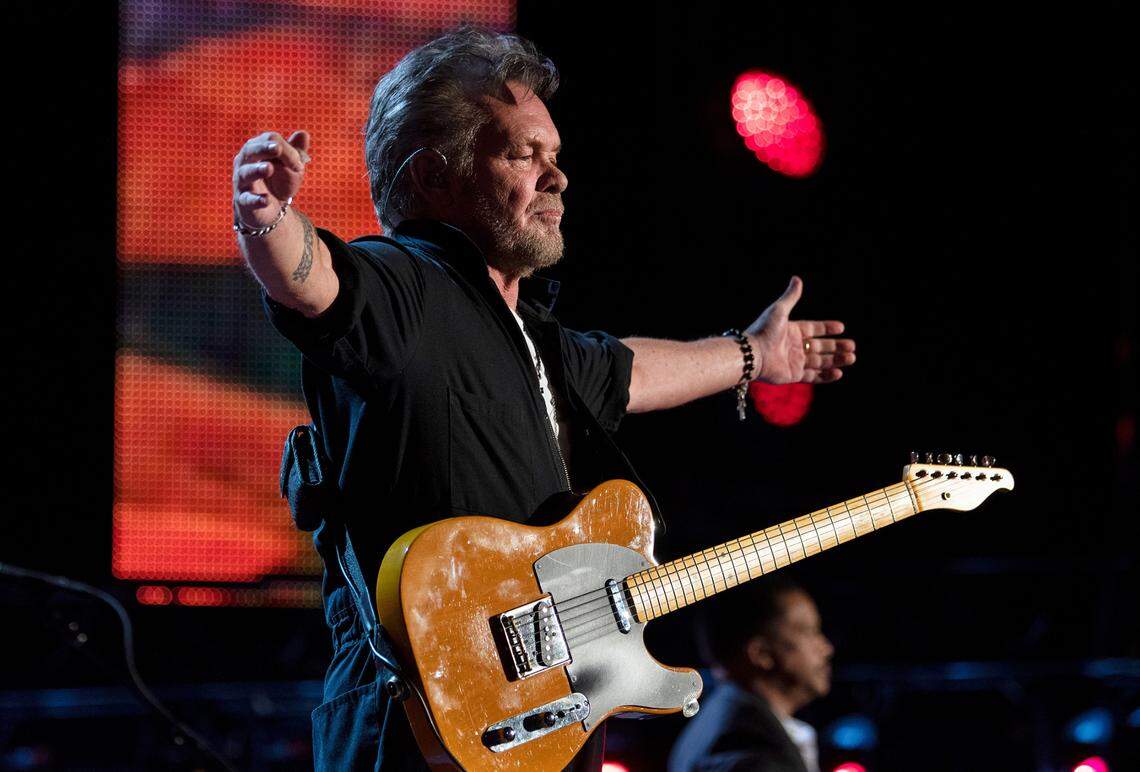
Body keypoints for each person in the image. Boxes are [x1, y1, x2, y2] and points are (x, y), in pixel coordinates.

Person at [230, 27, 855, 771]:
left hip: (537, 727)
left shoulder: (534, 340)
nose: (557, 177)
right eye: (523, 154)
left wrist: (755, 354)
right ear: (434, 177)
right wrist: (264, 217)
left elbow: (633, 372)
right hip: (423, 731)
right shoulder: (403, 284)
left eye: (554, 156)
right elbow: (314, 280)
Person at [668, 577, 834, 772]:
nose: (826, 649)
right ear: (761, 653)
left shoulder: (730, 723)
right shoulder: (745, 745)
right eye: (809, 632)